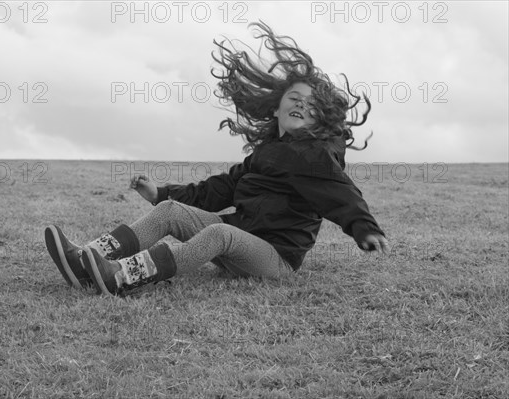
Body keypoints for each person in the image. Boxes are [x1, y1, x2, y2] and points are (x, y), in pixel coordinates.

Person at [44, 21, 389, 296]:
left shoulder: (316, 157)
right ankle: (86, 259)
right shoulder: (268, 152)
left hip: (273, 259)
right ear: (277, 106)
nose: (301, 104)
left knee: (219, 235)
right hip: (241, 238)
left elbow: (343, 193)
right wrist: (162, 194)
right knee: (169, 213)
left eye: (311, 105)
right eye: (295, 98)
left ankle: (122, 276)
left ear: (320, 119)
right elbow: (220, 188)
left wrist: (365, 229)